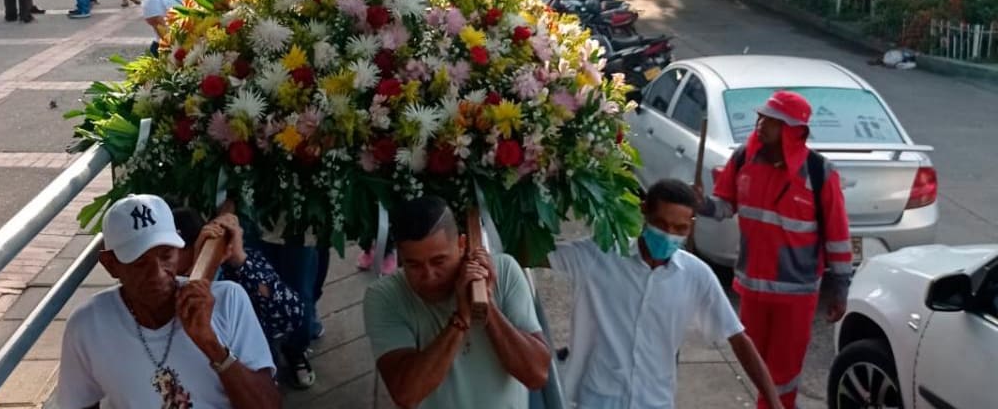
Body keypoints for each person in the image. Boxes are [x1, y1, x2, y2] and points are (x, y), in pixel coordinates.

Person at [548, 179, 783, 409]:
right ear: (644, 212)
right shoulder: (600, 255)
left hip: (655, 401)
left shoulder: (697, 276)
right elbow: (530, 254)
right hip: (597, 399)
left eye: (680, 229)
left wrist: (774, 402)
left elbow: (739, 339)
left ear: (691, 225)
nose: (669, 235)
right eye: (661, 224)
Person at [694, 91, 853, 409]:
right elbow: (725, 206)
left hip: (795, 296)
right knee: (757, 367)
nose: (760, 125)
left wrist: (840, 288)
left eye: (771, 121)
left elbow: (837, 236)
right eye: (761, 118)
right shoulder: (743, 159)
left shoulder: (820, 173)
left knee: (784, 374)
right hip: (751, 289)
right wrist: (702, 204)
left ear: (793, 130)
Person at [57, 194, 280, 409]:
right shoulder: (88, 326)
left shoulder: (228, 301)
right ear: (110, 264)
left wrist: (211, 344)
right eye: (139, 262)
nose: (158, 273)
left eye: (166, 255)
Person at [363, 195, 550, 409]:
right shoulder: (383, 297)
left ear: (462, 244)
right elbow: (406, 394)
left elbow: (537, 375)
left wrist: (486, 305)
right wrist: (461, 319)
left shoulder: (504, 271)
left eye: (439, 261)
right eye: (413, 265)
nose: (429, 275)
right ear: (399, 259)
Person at [172, 209, 303, 345]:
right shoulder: (160, 279)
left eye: (169, 253)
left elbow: (291, 316)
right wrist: (194, 273)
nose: (165, 263)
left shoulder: (239, 266)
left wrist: (240, 260)